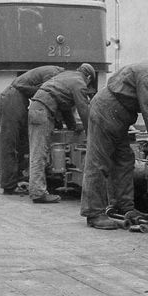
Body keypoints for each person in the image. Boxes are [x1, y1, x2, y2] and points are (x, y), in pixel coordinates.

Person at [80, 49, 148, 229]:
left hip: (118, 116)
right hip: (106, 112)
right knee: (98, 162)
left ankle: (124, 207)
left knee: (124, 160)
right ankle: (93, 213)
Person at [27, 63, 96, 204]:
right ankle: (38, 193)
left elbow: (65, 107)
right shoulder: (79, 83)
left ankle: (37, 189)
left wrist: (72, 126)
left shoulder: (66, 76)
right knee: (39, 151)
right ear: (88, 77)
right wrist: (91, 134)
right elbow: (84, 109)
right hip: (42, 110)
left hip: (37, 108)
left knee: (38, 151)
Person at [0, 65, 65, 195]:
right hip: (12, 98)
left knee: (23, 143)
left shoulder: (54, 74)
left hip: (19, 100)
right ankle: (8, 185)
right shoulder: (53, 74)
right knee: (10, 143)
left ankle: (20, 179)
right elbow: (44, 95)